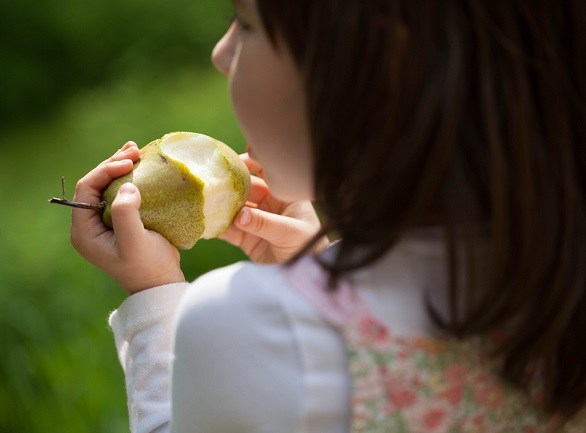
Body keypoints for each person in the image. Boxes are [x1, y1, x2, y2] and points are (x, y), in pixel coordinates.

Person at [68, 1, 586, 432]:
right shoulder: (555, 266)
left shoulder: (240, 327)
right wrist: (318, 269)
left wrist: (154, 296)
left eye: (247, 24)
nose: (220, 53)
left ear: (380, 65)